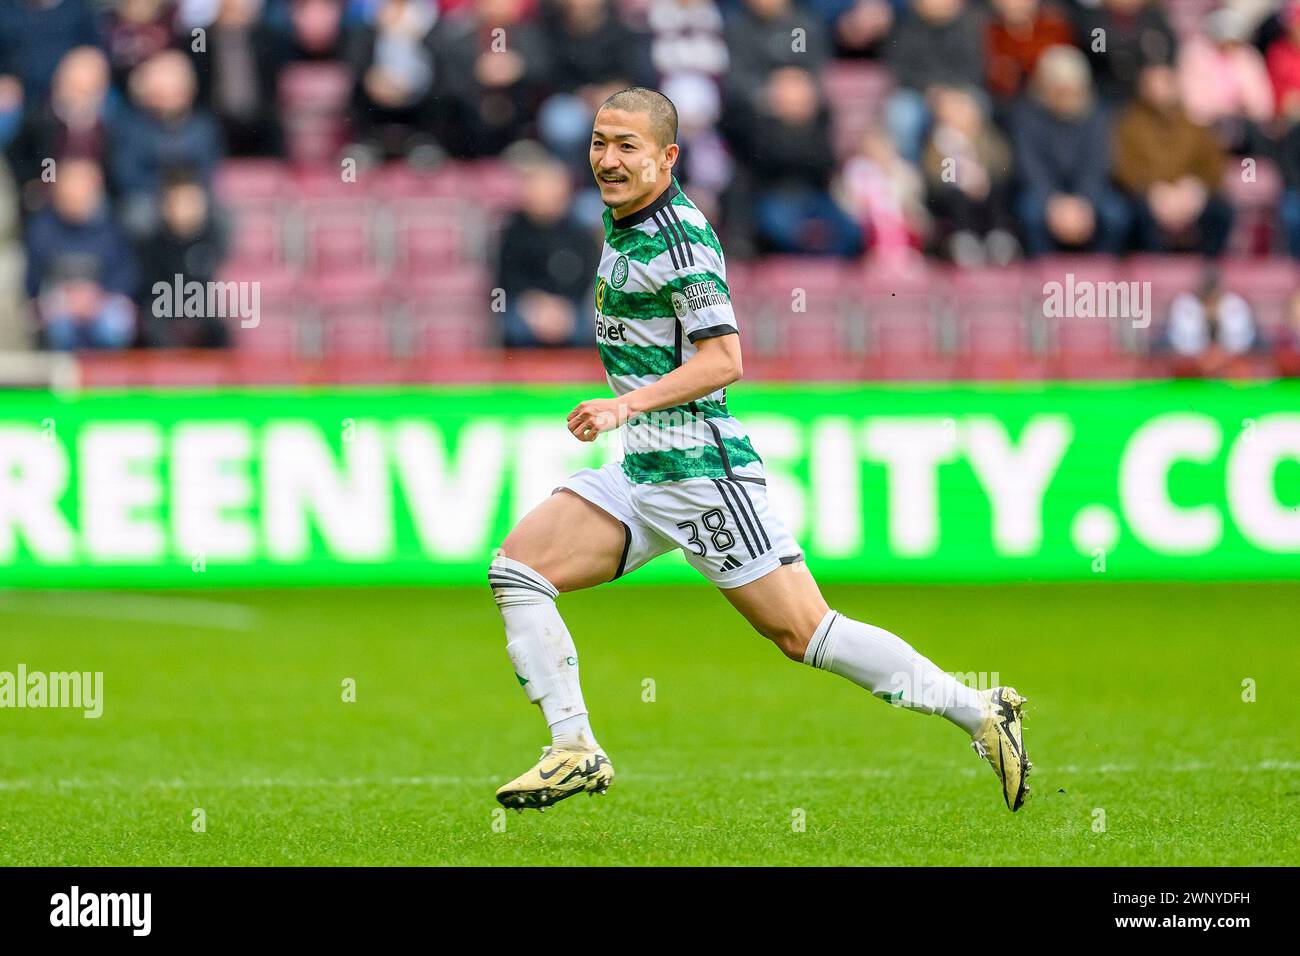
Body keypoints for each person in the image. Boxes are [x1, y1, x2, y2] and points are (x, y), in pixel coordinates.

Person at [489, 87, 1032, 815]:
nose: (608, 160)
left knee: (806, 633)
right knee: (517, 570)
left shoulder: (679, 242)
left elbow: (724, 360)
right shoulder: (622, 222)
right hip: (647, 466)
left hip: (702, 472)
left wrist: (626, 404)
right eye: (599, 143)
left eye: (627, 147)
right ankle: (574, 749)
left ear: (667, 157)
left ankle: (978, 710)